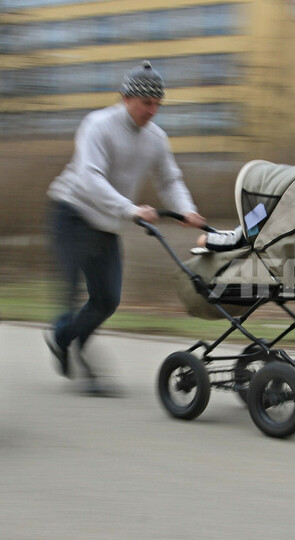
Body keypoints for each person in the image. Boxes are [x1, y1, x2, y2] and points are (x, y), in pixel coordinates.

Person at [44, 60, 206, 395]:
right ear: (125, 97)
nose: (152, 111)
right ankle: (77, 353)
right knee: (72, 293)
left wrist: (186, 210)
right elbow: (90, 178)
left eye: (158, 104)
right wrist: (131, 209)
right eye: (147, 103)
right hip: (71, 212)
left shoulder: (156, 139)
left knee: (106, 300)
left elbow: (169, 179)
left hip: (106, 223)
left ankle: (64, 339)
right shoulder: (98, 125)